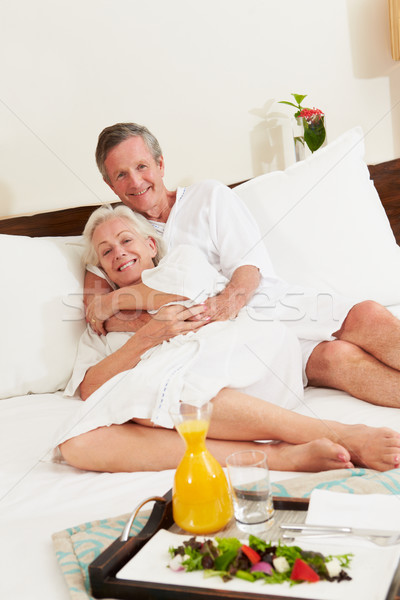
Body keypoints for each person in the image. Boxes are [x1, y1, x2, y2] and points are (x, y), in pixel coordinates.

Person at [59, 205, 400, 473]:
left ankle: (338, 432)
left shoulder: (181, 261)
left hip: (245, 356)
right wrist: (143, 339)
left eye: (126, 240)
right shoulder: (99, 330)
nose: (118, 252)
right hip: (178, 395)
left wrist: (108, 301)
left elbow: (184, 298)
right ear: (101, 267)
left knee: (157, 389)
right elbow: (91, 388)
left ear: (150, 244)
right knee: (78, 443)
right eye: (106, 251)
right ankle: (275, 456)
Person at [84, 122, 400, 410]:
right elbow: (92, 311)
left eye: (142, 166)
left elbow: (250, 267)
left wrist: (226, 304)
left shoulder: (208, 196)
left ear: (160, 164)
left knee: (367, 314)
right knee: (335, 359)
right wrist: (130, 318)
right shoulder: (117, 233)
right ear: (109, 183)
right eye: (121, 174)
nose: (136, 181)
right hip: (238, 344)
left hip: (271, 304)